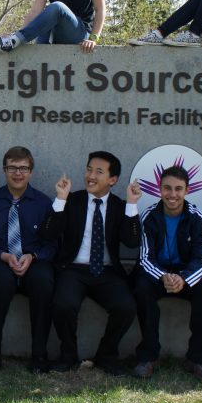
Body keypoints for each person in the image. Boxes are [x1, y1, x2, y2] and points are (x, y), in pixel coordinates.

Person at [44, 152, 142, 376]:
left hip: (107, 272)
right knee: (63, 304)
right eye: (89, 169)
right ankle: (68, 355)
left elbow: (132, 241)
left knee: (126, 307)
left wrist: (132, 204)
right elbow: (48, 233)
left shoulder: (119, 206)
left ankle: (107, 355)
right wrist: (60, 198)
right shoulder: (73, 200)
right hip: (74, 269)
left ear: (112, 179)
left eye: (99, 172)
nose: (91, 175)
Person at [131, 165, 202, 381]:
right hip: (157, 273)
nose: (172, 194)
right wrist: (163, 276)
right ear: (159, 189)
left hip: (185, 274)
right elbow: (145, 258)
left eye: (178, 189)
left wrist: (183, 278)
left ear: (187, 191)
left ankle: (197, 359)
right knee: (141, 287)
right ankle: (148, 357)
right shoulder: (148, 217)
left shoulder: (199, 218)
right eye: (167, 188)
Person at [0, 146, 57, 372]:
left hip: (32, 259)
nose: (17, 173)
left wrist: (33, 256)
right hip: (0, 258)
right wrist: (2, 255)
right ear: (4, 170)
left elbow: (52, 244)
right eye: (12, 168)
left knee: (44, 283)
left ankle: (39, 354)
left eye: (23, 168)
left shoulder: (44, 203)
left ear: (31, 172)